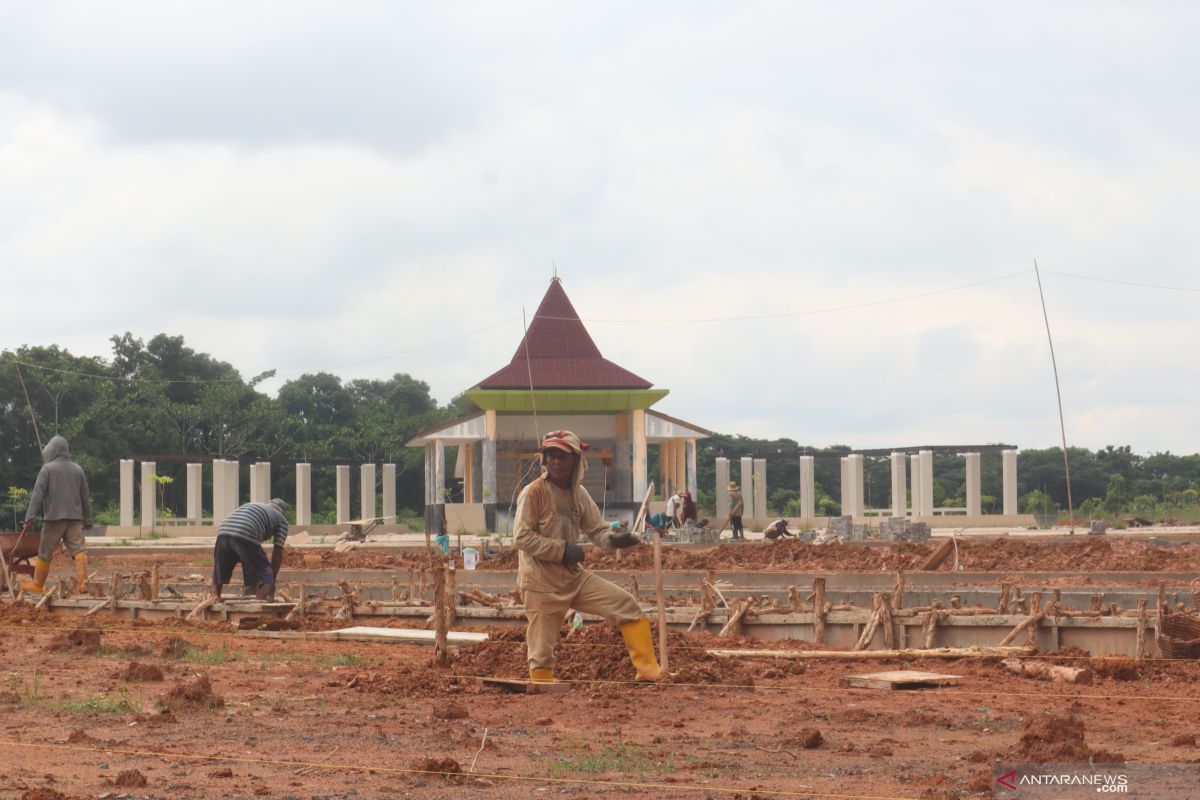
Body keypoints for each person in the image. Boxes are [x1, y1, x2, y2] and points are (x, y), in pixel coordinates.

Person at [515, 429, 663, 682]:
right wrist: (562, 550)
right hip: (541, 582)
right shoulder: (534, 492)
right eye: (550, 455)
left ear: (575, 460)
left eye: (561, 456)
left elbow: (597, 530)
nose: (555, 461)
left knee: (625, 605)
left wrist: (616, 540)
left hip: (573, 578)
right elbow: (521, 537)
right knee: (541, 650)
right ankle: (541, 687)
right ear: (544, 460)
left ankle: (649, 671)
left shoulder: (579, 494)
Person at [20, 435, 93, 593]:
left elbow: (37, 495)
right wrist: (88, 520)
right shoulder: (77, 469)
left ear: (52, 450)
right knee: (79, 550)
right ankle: (83, 582)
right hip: (74, 519)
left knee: (45, 551)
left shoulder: (47, 469)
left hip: (54, 519)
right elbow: (85, 497)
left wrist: (29, 518)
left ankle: (37, 585)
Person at [211, 498, 289, 600]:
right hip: (246, 531)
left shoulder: (257, 506)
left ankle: (214, 598)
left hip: (223, 531)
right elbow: (277, 553)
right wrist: (272, 579)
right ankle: (258, 606)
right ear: (282, 512)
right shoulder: (281, 519)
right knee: (266, 577)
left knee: (219, 573)